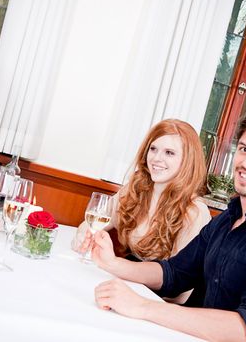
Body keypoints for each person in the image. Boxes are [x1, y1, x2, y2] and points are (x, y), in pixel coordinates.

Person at [91, 104, 246, 342]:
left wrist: (143, 307)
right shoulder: (228, 218)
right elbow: (175, 273)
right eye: (244, 149)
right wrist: (113, 264)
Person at [74, 119, 211, 304]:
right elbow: (93, 224)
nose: (156, 159)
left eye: (169, 153)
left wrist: (120, 271)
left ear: (187, 161)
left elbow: (178, 293)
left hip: (159, 301)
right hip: (128, 283)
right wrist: (84, 238)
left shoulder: (195, 211)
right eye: (153, 149)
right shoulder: (136, 188)